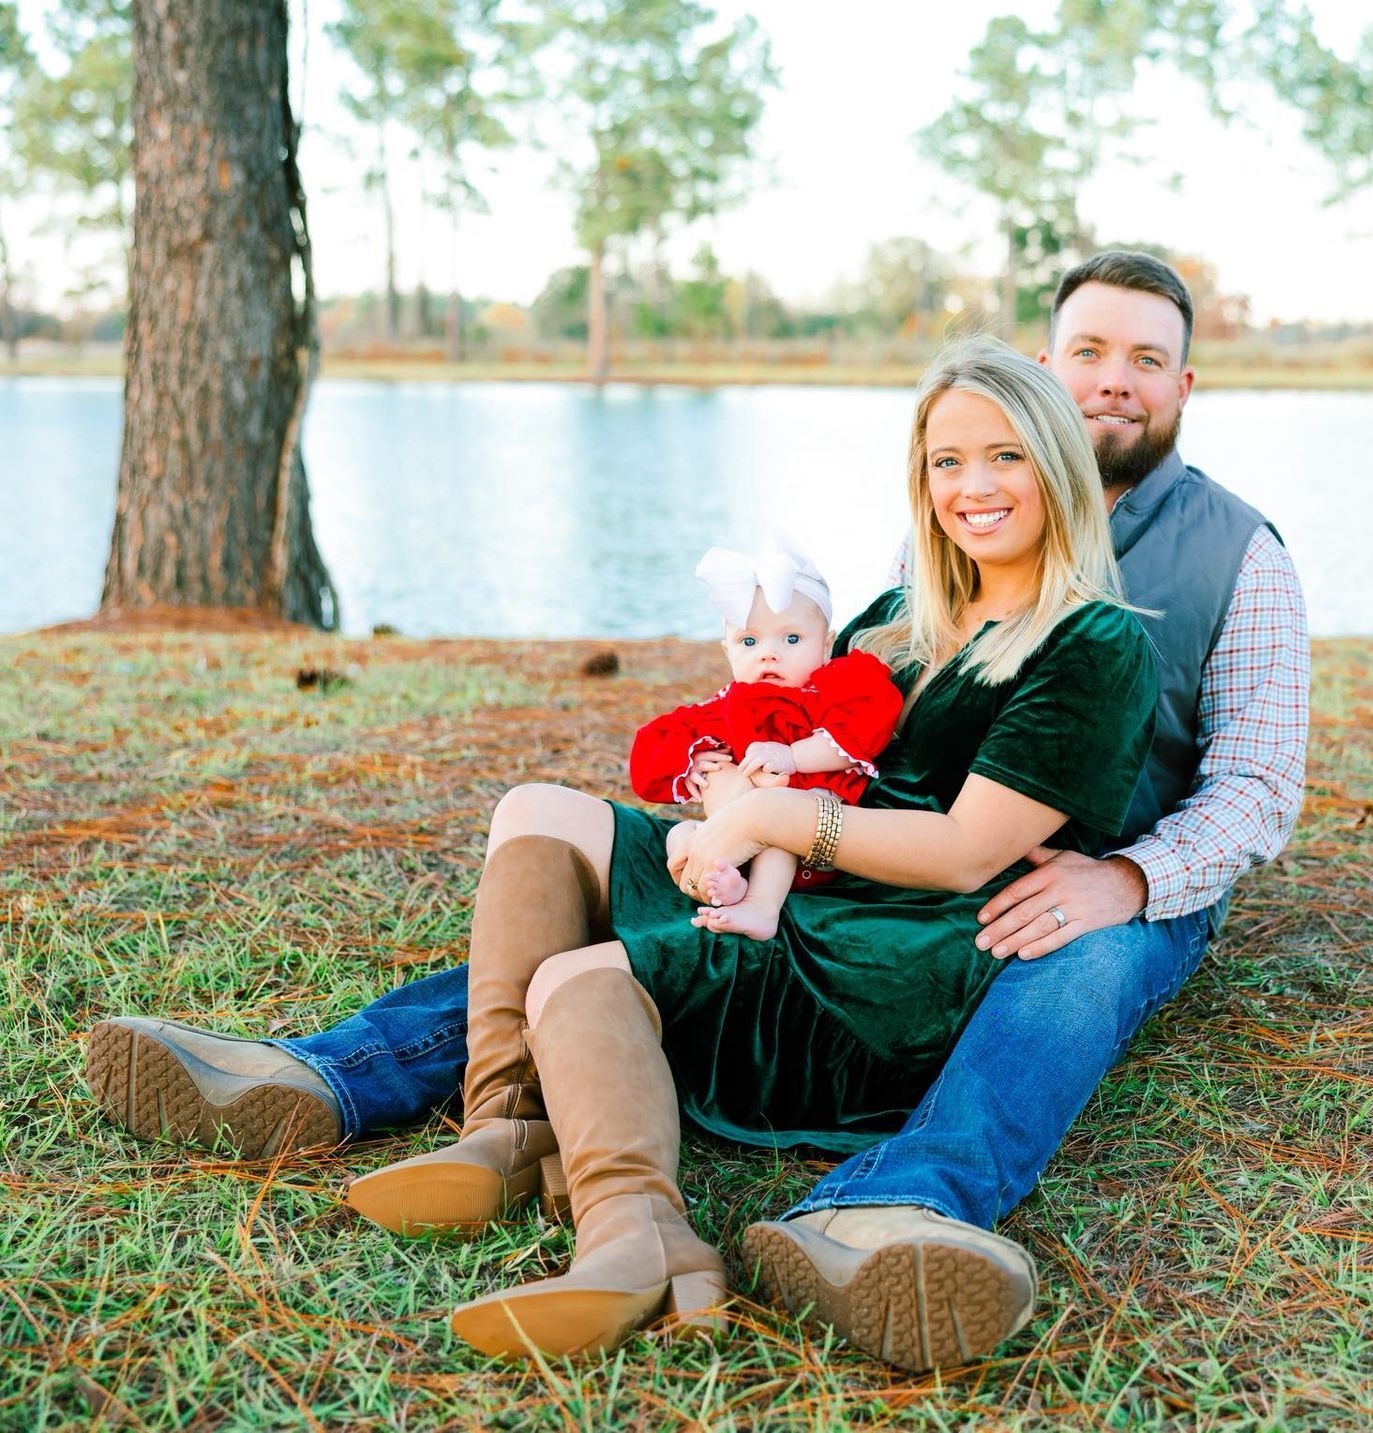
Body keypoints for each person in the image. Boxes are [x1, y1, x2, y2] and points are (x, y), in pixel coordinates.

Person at [84, 251, 1311, 1372]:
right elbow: (857, 718)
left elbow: (1252, 787)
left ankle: (907, 1201)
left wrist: (1133, 877)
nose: (1112, 383)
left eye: (1144, 359)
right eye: (1087, 353)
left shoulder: (1229, 554)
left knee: (1067, 948)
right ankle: (446, 1102)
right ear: (1046, 372)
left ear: (1183, 382)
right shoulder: (943, 560)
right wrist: (737, 791)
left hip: (1091, 867)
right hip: (882, 851)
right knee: (555, 831)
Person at [638, 541, 903, 940]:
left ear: (826, 644)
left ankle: (761, 906)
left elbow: (864, 727)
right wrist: (691, 763)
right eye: (749, 642)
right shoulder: (728, 704)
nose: (769, 655)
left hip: (810, 834)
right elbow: (654, 744)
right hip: (735, 840)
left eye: (791, 639)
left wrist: (793, 756)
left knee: (776, 803)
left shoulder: (834, 687)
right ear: (727, 651)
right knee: (684, 827)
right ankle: (720, 879)